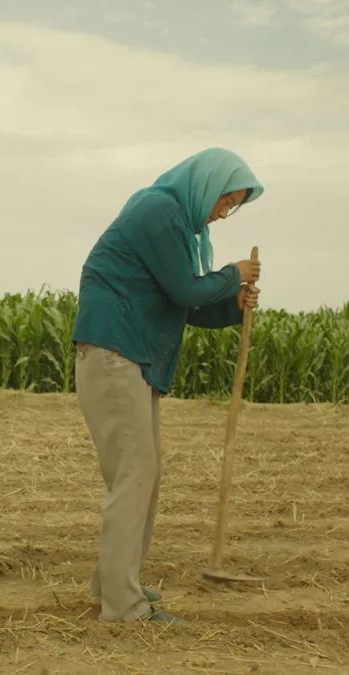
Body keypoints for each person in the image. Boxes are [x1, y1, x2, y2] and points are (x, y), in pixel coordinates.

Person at [72, 148, 264, 623]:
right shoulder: (160, 210)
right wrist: (230, 276)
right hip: (115, 354)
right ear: (206, 186)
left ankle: (116, 584)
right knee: (135, 474)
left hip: (132, 359)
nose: (224, 214)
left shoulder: (183, 226)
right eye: (226, 202)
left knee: (143, 474)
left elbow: (190, 306)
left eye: (232, 206)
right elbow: (185, 290)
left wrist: (232, 303)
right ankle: (123, 606)